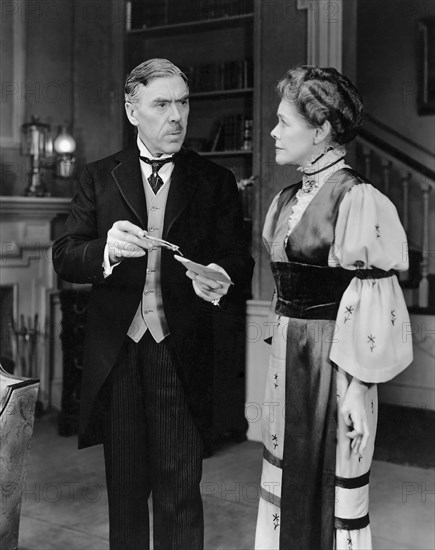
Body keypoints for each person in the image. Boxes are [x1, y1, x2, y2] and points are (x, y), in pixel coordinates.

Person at [52, 58, 253, 550]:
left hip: (180, 353)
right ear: (132, 109)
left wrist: (221, 276)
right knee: (124, 494)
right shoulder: (97, 178)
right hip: (117, 355)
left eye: (183, 103)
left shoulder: (215, 181)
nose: (177, 116)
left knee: (180, 490)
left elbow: (238, 258)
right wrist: (105, 250)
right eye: (161, 104)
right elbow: (65, 255)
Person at [254, 66, 413, 550]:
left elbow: (372, 300)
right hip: (288, 354)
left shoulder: (358, 199)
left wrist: (357, 388)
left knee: (334, 472)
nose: (274, 132)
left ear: (321, 131)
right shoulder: (284, 200)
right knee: (288, 473)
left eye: (285, 122)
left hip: (336, 361)